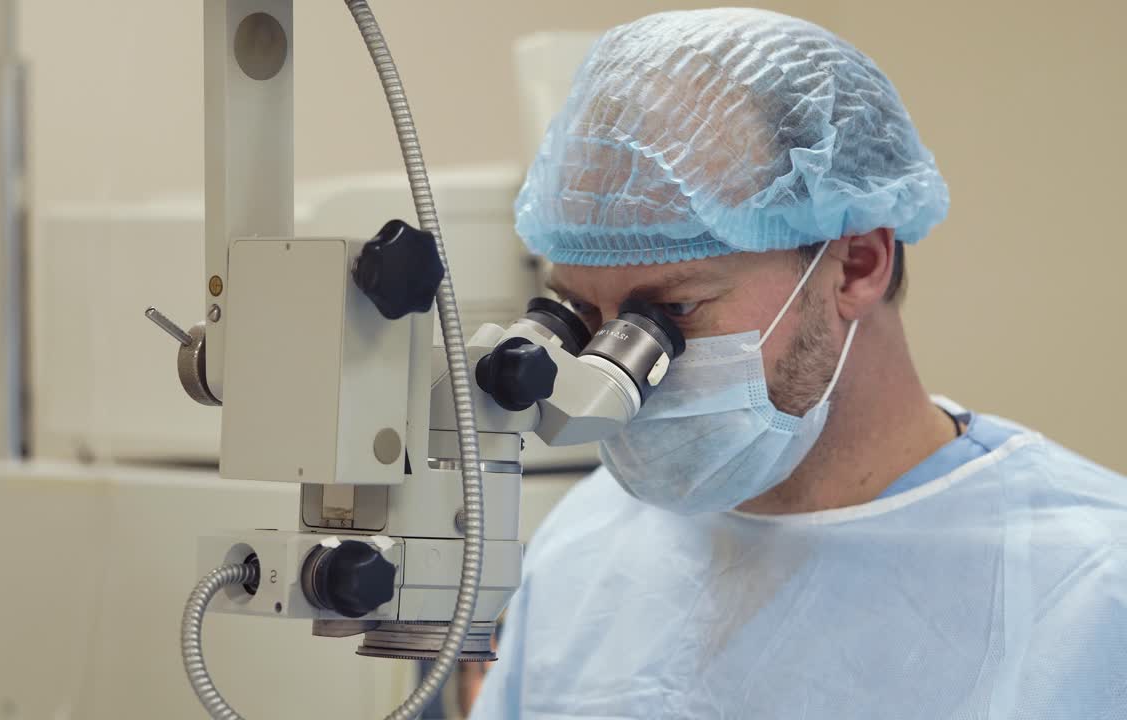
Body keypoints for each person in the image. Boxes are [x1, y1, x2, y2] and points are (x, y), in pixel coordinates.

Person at [469, 8, 1127, 719]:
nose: (612, 372)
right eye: (580, 313)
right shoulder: (581, 548)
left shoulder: (1090, 590)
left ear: (857, 264)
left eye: (672, 311)